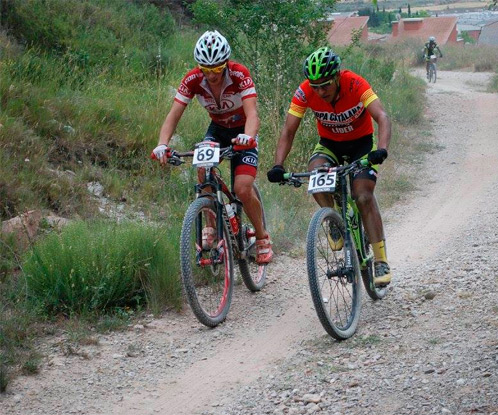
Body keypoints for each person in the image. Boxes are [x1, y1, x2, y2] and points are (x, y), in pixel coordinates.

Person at [266, 47, 392, 286]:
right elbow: (289, 130)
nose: (320, 91)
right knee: (316, 177)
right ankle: (336, 222)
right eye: (316, 87)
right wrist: (278, 165)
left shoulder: (355, 83)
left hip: (362, 144)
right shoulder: (305, 92)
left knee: (363, 196)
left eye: (325, 85)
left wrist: (382, 149)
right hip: (330, 144)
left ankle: (380, 259)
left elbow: (383, 117)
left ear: (336, 77)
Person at [152, 30, 273, 264]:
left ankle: (261, 237)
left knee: (243, 189)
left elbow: (253, 114)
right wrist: (162, 144)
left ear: (226, 64)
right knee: (202, 169)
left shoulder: (239, 74)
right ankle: (211, 225)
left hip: (241, 132)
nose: (212, 75)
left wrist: (248, 137)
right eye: (206, 70)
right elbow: (174, 114)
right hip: (217, 130)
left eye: (217, 69)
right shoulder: (193, 79)